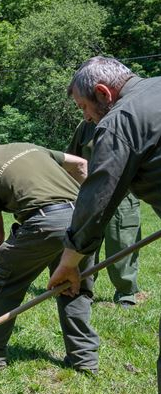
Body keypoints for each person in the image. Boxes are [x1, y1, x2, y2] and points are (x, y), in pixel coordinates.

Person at [48, 56, 161, 394]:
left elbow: (98, 198)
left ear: (103, 94)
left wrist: (69, 262)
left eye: (83, 108)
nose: (87, 118)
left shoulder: (119, 119)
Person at [0, 130, 99, 372]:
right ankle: (84, 360)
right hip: (82, 220)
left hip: (44, 224)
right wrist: (90, 206)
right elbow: (81, 164)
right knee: (73, 286)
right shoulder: (29, 145)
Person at [66, 120, 144, 307]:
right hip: (90, 195)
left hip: (124, 195)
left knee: (122, 243)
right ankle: (82, 289)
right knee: (84, 242)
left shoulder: (129, 121)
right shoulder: (85, 126)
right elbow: (72, 157)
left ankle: (126, 292)